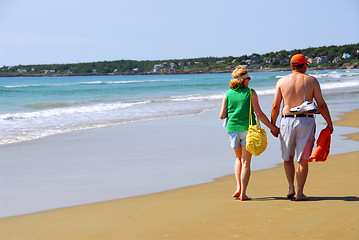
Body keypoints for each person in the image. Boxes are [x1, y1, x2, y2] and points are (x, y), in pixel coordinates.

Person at [271, 54, 333, 201]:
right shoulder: (311, 81)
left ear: (292, 66)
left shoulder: (281, 81)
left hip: (286, 121)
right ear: (304, 65)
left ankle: (290, 187)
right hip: (305, 121)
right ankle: (299, 193)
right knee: (303, 159)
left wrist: (273, 125)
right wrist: (329, 123)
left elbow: (275, 106)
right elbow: (321, 104)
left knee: (288, 157)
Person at [220, 66, 279, 201]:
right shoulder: (251, 93)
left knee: (238, 159)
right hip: (248, 130)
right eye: (248, 78)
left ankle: (238, 187)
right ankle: (243, 194)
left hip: (232, 129)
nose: (249, 81)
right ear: (243, 80)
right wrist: (272, 127)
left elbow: (222, 115)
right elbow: (259, 113)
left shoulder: (227, 94)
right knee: (246, 162)